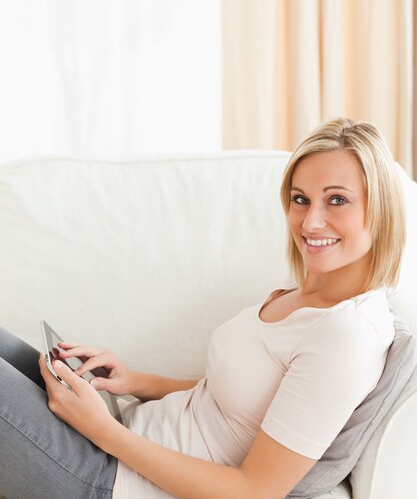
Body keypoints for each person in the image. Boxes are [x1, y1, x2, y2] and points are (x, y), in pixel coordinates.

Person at [0, 117, 406, 499]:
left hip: (111, 478)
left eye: (337, 200)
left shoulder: (347, 335)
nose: (311, 222)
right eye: (301, 199)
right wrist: (133, 381)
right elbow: (231, 398)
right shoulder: (298, 294)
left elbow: (254, 491)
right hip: (120, 433)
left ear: (380, 209)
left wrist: (103, 431)